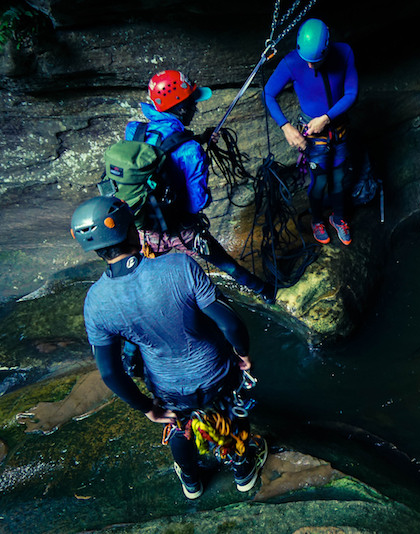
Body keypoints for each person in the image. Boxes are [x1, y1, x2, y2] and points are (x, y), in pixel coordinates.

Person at [71, 195, 268, 500]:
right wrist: (242, 353)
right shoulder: (179, 266)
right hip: (216, 370)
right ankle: (243, 471)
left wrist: (147, 407)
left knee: (178, 424)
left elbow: (110, 373)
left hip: (168, 386)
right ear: (134, 232)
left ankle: (191, 482)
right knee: (231, 410)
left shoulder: (95, 303)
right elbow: (230, 323)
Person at [132, 69, 276, 302]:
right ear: (181, 108)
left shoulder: (137, 132)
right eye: (192, 102)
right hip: (181, 228)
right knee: (224, 263)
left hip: (146, 227)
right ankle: (266, 292)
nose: (196, 107)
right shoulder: (191, 151)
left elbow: (164, 145)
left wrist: (198, 138)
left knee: (145, 274)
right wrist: (198, 154)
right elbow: (196, 203)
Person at [263, 18, 358, 246]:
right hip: (314, 136)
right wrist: (285, 126)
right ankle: (317, 219)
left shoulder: (343, 53)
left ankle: (337, 217)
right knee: (319, 180)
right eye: (306, 60)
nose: (309, 66)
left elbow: (351, 93)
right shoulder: (292, 62)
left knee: (338, 177)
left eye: (315, 61)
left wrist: (326, 118)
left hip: (338, 128)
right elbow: (268, 93)